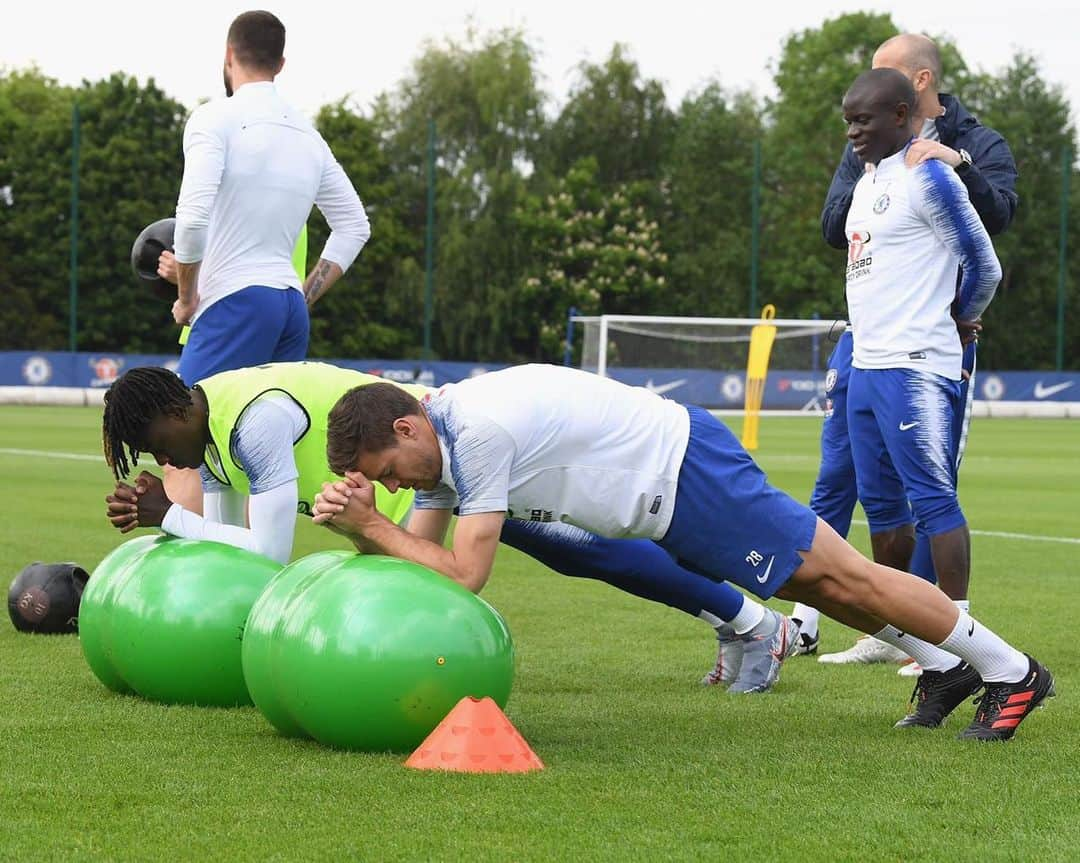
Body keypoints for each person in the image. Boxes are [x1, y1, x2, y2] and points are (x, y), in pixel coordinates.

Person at [313, 363, 1054, 741]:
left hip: (687, 473)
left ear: (407, 430)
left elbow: (464, 576)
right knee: (830, 592)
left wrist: (375, 527)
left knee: (847, 575)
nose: (396, 491)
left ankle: (1012, 670)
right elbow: (425, 569)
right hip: (671, 494)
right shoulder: (441, 446)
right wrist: (365, 525)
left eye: (388, 475)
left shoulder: (476, 432)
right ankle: (945, 665)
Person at [101, 362, 796, 693]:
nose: (163, 460)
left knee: (592, 552)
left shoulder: (250, 421)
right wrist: (182, 523)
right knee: (585, 555)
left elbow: (266, 552)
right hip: (395, 481)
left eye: (156, 441)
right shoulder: (211, 427)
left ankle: (754, 622)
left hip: (422, 465)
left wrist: (175, 517)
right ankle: (748, 621)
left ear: (175, 407)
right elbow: (235, 567)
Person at [794, 33, 1019, 669]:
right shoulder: (865, 181)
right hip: (866, 361)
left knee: (933, 498)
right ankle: (904, 632)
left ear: (908, 103)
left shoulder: (934, 175)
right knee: (883, 507)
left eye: (861, 120)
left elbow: (986, 262)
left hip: (918, 364)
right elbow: (843, 239)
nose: (851, 133)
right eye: (847, 122)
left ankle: (964, 638)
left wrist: (962, 317)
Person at [164, 10, 370, 514]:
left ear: (229, 55)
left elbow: (190, 222)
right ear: (281, 62)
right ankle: (250, 571)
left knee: (181, 443)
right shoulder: (307, 134)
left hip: (232, 304)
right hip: (287, 310)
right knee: (253, 448)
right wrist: (303, 295)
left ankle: (198, 573)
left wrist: (187, 297)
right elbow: (355, 226)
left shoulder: (214, 118)